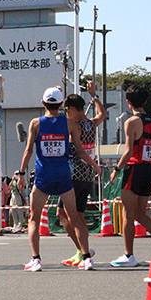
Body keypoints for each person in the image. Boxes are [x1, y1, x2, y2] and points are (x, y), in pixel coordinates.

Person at [19, 87, 96, 271]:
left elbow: (29, 150)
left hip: (43, 176)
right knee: (75, 217)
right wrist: (95, 165)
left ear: (43, 103)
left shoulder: (36, 123)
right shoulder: (69, 124)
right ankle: (86, 258)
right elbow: (79, 150)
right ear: (61, 105)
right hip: (63, 176)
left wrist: (21, 173)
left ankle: (36, 259)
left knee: (34, 219)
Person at [109, 84, 151, 267]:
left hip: (135, 168)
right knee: (140, 213)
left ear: (128, 102)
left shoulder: (131, 122)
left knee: (128, 213)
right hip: (149, 168)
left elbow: (129, 151)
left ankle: (128, 255)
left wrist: (116, 169)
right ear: (145, 101)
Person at [58, 81, 105, 267]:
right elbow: (102, 114)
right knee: (78, 215)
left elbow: (79, 151)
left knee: (63, 214)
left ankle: (83, 251)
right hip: (86, 176)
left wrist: (57, 96)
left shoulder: (73, 126)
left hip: (73, 174)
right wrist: (94, 95)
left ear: (70, 109)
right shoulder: (91, 124)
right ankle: (83, 250)